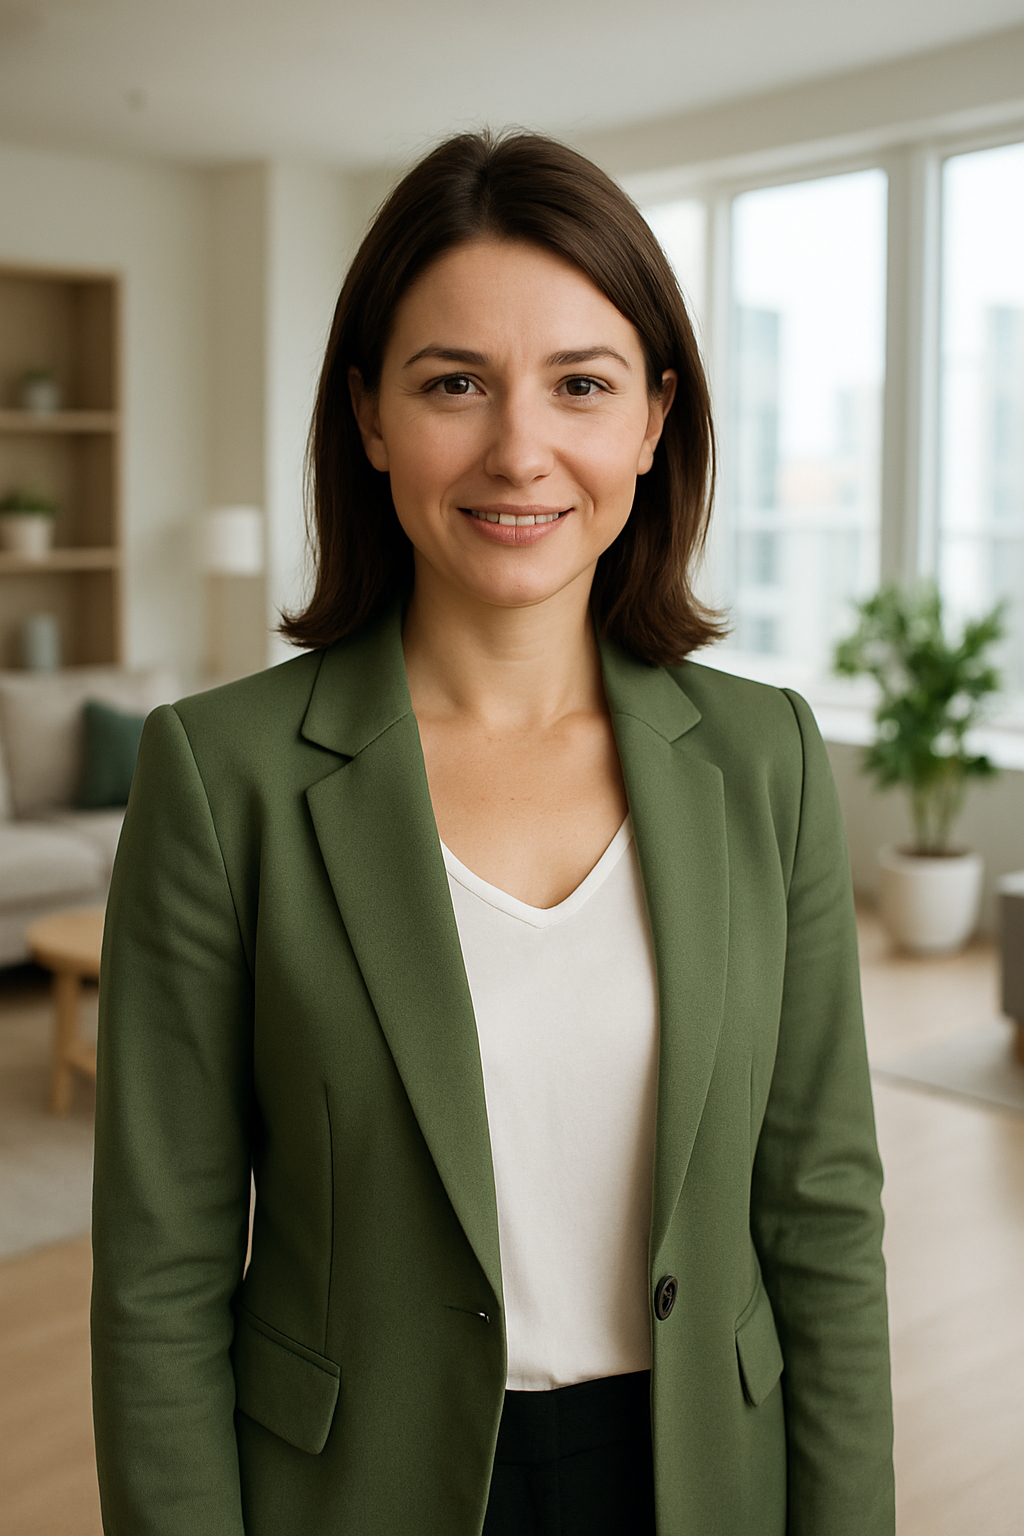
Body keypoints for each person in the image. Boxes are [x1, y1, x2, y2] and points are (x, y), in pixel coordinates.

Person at [91, 130, 895, 1536]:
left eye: (580, 385)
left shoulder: (764, 759)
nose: (520, 449)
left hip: (704, 1474)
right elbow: (160, 1276)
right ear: (371, 416)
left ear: (653, 420)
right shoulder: (223, 779)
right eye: (454, 383)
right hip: (360, 1493)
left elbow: (821, 1215)